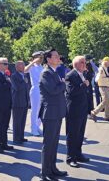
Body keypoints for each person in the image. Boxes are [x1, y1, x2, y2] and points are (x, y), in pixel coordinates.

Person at [38, 49, 67, 181]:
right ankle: (45, 172)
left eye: (58, 56)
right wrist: (63, 84)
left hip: (56, 112)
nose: (58, 58)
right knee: (48, 143)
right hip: (49, 113)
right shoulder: (46, 73)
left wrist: (61, 83)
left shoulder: (53, 72)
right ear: (48, 59)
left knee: (54, 143)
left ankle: (53, 168)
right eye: (55, 56)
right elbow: (54, 90)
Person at [65, 56, 90, 168]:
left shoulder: (82, 74)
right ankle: (70, 158)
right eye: (82, 62)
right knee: (72, 134)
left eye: (85, 62)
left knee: (80, 134)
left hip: (82, 109)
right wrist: (84, 84)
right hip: (74, 110)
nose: (85, 64)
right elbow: (71, 92)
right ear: (75, 64)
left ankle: (78, 154)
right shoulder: (70, 75)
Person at [0, 58, 13, 153]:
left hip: (6, 104)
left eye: (7, 63)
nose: (7, 65)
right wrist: (8, 82)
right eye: (5, 63)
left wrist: (7, 82)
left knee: (5, 125)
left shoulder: (5, 75)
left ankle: (4, 143)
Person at [25, 51, 44, 136]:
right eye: (39, 57)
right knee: (35, 110)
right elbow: (24, 70)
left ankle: (36, 126)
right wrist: (33, 62)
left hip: (43, 89)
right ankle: (33, 129)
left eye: (41, 57)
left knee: (41, 110)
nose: (41, 59)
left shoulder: (42, 67)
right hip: (35, 88)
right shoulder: (32, 66)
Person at [90, 56, 109, 122]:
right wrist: (108, 78)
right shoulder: (101, 69)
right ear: (106, 62)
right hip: (103, 87)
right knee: (105, 101)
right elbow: (97, 79)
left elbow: (103, 77)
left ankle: (107, 116)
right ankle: (94, 112)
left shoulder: (105, 68)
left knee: (108, 101)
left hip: (105, 86)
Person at [11, 61, 30, 144]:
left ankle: (21, 136)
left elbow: (27, 87)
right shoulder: (14, 76)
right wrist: (24, 81)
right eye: (21, 65)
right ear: (16, 67)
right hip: (17, 102)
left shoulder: (24, 76)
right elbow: (17, 88)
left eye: (23, 65)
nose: (23, 67)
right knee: (17, 121)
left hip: (24, 101)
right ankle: (16, 137)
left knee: (22, 121)